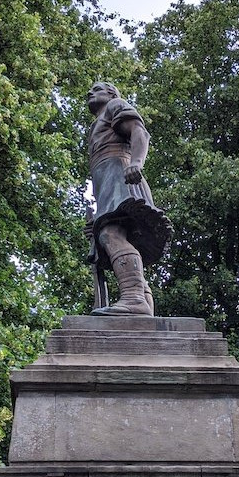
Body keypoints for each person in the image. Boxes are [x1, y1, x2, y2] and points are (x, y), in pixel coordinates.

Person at [86, 81, 172, 316]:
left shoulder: (115, 105)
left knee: (111, 234)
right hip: (107, 182)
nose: (89, 93)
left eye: (97, 90)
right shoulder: (95, 126)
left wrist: (136, 162)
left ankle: (134, 299)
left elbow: (139, 131)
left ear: (111, 93)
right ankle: (143, 306)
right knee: (115, 237)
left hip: (120, 175)